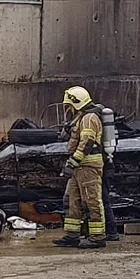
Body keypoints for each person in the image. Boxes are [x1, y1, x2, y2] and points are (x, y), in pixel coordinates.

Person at [53, 86, 109, 250]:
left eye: (69, 105)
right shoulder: (81, 117)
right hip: (80, 166)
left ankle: (98, 237)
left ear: (76, 103)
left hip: (88, 165)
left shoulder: (90, 118)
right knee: (73, 200)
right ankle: (72, 235)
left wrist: (73, 162)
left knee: (92, 201)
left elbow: (87, 143)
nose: (68, 109)